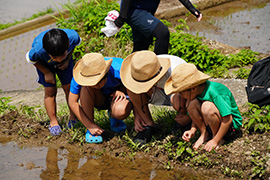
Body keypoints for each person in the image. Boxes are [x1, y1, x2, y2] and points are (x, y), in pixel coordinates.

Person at [164, 63, 242, 152]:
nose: (180, 95)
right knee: (191, 103)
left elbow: (228, 119)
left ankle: (217, 138)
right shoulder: (197, 92)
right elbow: (196, 112)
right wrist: (193, 129)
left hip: (230, 127)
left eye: (181, 92)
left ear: (193, 89)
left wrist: (215, 140)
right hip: (212, 122)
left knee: (207, 107)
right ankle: (204, 133)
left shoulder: (215, 92)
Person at [120, 50, 187, 144]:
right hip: (156, 91)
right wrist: (138, 114)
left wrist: (188, 116)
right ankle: (147, 124)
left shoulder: (177, 69)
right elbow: (135, 89)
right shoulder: (142, 68)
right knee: (131, 89)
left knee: (177, 100)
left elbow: (192, 95)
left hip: (179, 93)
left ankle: (183, 120)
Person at [26, 28, 81, 136]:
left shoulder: (73, 38)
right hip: (44, 64)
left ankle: (73, 118)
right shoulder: (38, 50)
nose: (59, 59)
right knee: (50, 91)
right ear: (47, 52)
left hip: (66, 64)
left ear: (67, 46)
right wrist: (46, 72)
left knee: (69, 88)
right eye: (55, 57)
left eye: (62, 55)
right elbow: (30, 59)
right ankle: (53, 122)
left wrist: (67, 58)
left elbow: (75, 46)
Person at [69, 53, 132, 143]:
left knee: (120, 111)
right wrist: (89, 125)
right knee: (85, 89)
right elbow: (72, 102)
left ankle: (115, 118)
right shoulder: (82, 74)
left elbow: (135, 90)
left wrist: (121, 90)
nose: (95, 85)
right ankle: (91, 128)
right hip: (98, 99)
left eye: (98, 82)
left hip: (116, 99)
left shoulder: (120, 68)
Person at [114, 0, 202, 55]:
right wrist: (122, 18)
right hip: (135, 12)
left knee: (141, 48)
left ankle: (129, 76)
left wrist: (192, 9)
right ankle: (160, 71)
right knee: (162, 32)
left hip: (146, 13)